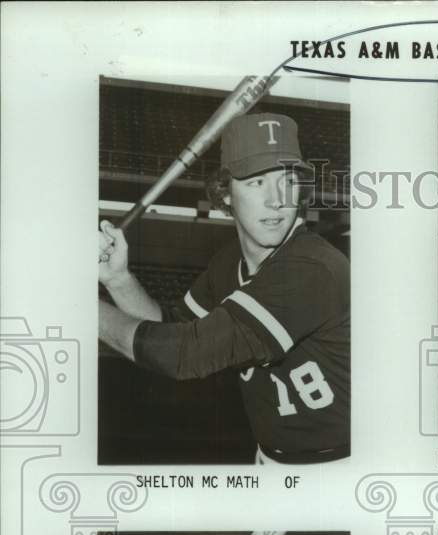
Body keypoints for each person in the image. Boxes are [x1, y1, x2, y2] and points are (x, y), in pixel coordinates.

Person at [98, 113, 350, 464]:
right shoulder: (227, 262)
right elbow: (172, 330)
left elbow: (184, 355)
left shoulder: (312, 269)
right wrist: (118, 280)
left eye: (288, 180)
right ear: (225, 193)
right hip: (270, 457)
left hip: (339, 466)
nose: (277, 199)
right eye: (256, 182)